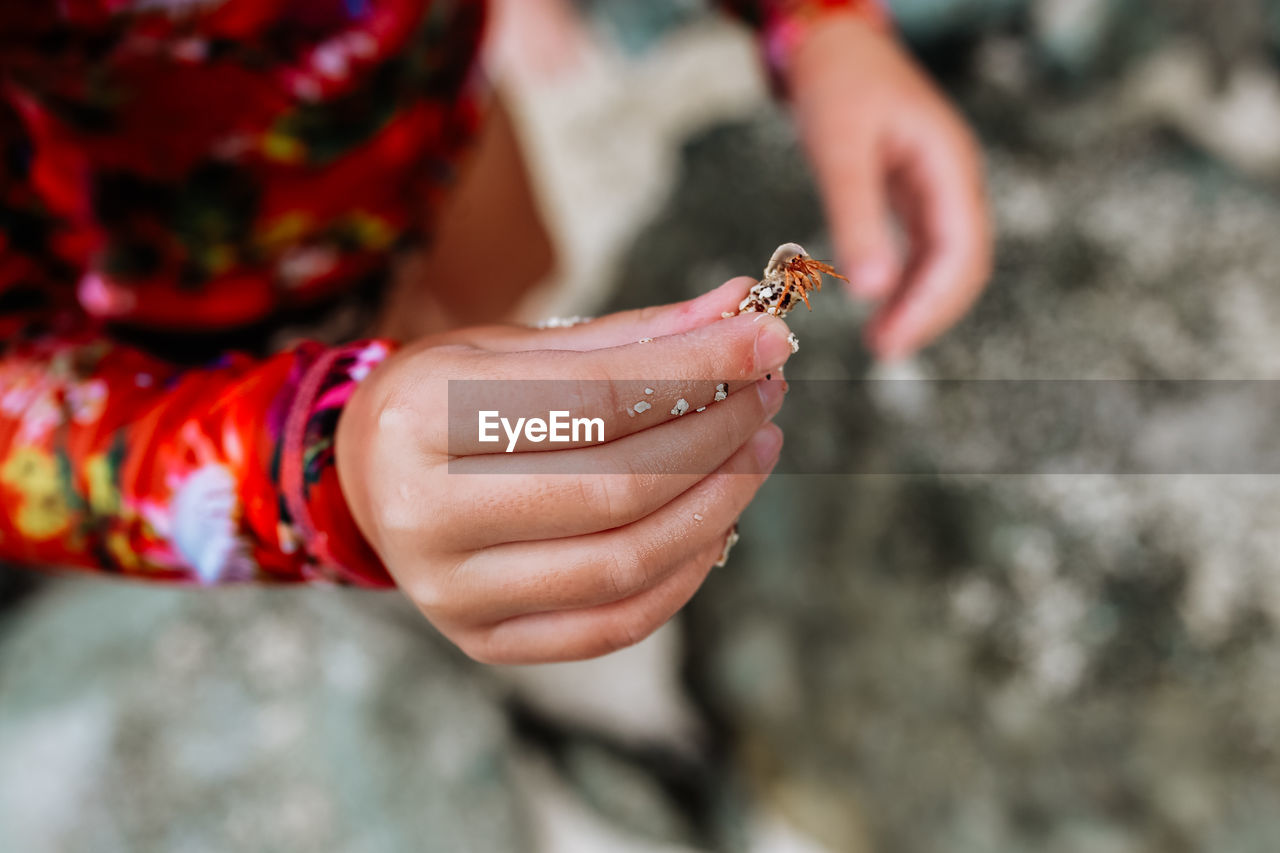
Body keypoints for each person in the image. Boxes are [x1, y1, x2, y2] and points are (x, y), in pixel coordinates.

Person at [0, 0, 991, 663]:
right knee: (414, 491)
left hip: (444, 136)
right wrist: (317, 467)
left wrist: (814, 26)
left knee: (499, 326)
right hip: (179, 319)